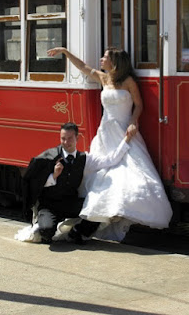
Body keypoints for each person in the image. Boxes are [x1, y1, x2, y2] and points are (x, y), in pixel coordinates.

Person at [47, 47, 173, 241]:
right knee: (102, 176)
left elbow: (139, 104)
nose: (101, 59)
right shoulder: (104, 78)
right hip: (105, 134)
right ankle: (96, 219)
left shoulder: (128, 81)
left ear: (114, 62)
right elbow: (82, 66)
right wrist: (64, 51)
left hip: (123, 133)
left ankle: (109, 217)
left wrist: (133, 121)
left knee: (128, 175)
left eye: (105, 57)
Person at [16, 122, 131, 244]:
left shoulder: (84, 158)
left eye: (69, 138)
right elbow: (33, 182)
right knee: (46, 232)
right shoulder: (49, 156)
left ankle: (77, 232)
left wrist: (127, 140)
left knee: (98, 208)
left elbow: (110, 160)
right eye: (63, 139)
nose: (66, 142)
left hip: (70, 203)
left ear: (77, 138)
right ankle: (43, 223)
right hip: (49, 205)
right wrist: (53, 176)